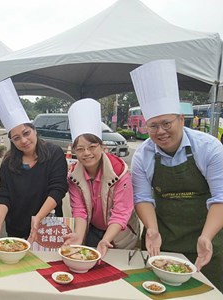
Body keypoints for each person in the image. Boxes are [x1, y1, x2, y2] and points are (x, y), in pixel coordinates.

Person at [130, 59, 223, 291]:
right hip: (162, 243)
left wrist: (206, 237)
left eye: (166, 123)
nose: (160, 131)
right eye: (153, 126)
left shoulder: (209, 148)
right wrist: (151, 229)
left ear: (181, 119)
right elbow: (142, 198)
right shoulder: (143, 155)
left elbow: (220, 197)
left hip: (209, 241)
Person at [0, 78, 68, 243]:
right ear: (12, 141)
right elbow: (4, 194)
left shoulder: (54, 153)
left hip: (48, 226)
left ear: (34, 131)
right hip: (16, 228)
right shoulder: (8, 162)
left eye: (26, 133)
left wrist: (38, 218)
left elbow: (58, 189)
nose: (23, 140)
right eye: (16, 138)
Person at [64, 99, 139, 258]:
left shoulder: (119, 172)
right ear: (75, 151)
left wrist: (106, 240)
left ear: (102, 146)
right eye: (80, 149)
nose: (86, 153)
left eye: (92, 147)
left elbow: (121, 212)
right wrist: (78, 235)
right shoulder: (74, 177)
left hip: (121, 234)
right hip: (92, 230)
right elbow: (80, 210)